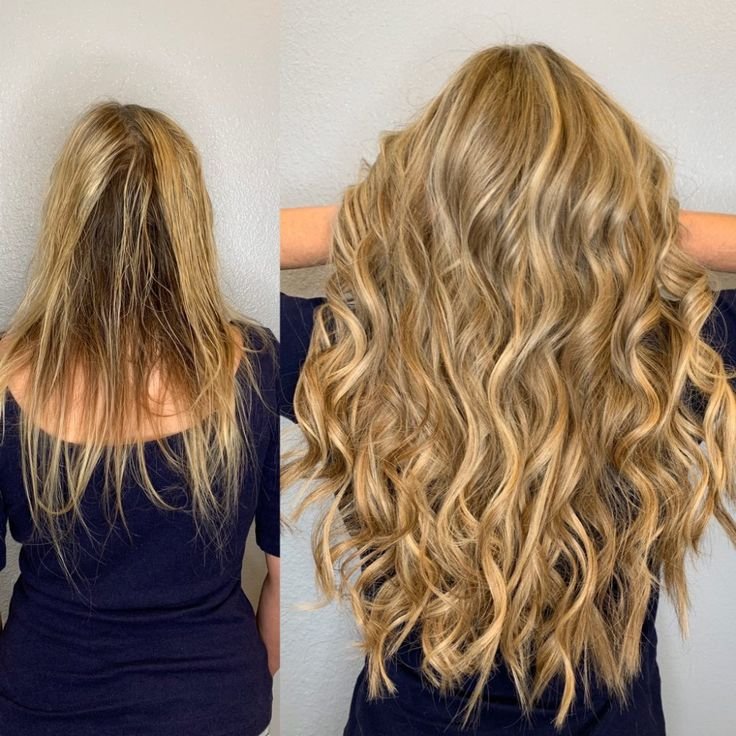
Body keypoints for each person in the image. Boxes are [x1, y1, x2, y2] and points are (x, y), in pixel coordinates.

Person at [280, 44, 736, 735]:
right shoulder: (668, 354)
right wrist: (640, 225)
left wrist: (383, 219)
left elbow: (194, 244)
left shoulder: (350, 351)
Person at [0, 102, 279, 736]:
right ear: (189, 223)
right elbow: (281, 576)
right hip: (213, 704)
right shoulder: (253, 365)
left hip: (42, 705)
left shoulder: (5, 376)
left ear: (67, 220)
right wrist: (243, 686)